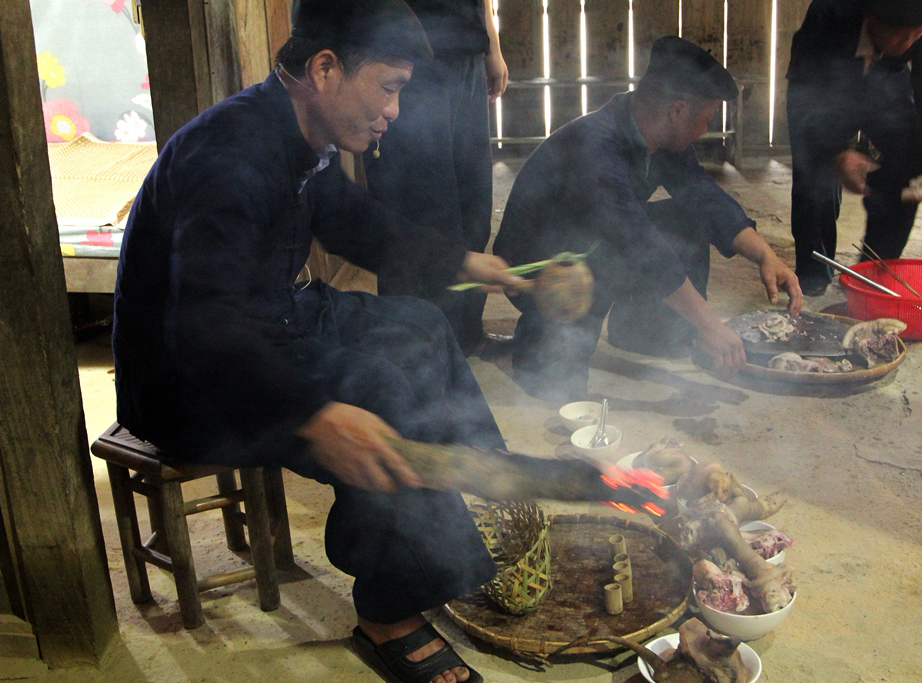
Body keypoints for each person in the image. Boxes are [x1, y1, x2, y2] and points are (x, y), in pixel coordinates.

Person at [112, 2, 520, 682]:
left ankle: (468, 487)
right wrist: (316, 412)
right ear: (326, 70)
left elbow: (351, 221)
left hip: (268, 317)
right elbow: (203, 328)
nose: (394, 110)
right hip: (189, 380)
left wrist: (467, 263)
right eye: (388, 88)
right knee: (377, 391)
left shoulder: (297, 132)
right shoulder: (230, 155)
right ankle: (389, 613)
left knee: (419, 324)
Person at [492, 37, 802, 403]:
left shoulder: (655, 136)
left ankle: (648, 334)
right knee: (557, 388)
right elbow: (636, 242)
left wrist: (766, 255)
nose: (705, 130)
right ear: (677, 111)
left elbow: (703, 196)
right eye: (705, 119)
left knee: (682, 218)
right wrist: (710, 324)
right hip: (542, 268)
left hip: (595, 243)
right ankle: (536, 347)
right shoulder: (596, 147)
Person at [362, 0, 508, 352]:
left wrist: (491, 44)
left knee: (474, 209)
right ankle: (415, 345)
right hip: (404, 55)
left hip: (465, 52)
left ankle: (465, 336)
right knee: (420, 209)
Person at [787, 0, 922, 295]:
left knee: (910, 160)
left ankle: (874, 271)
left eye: (916, 34)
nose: (908, 43)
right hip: (820, 89)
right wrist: (837, 150)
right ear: (870, 15)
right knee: (814, 177)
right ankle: (814, 270)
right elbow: (807, 93)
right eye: (900, 33)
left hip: (885, 84)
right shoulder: (829, 12)